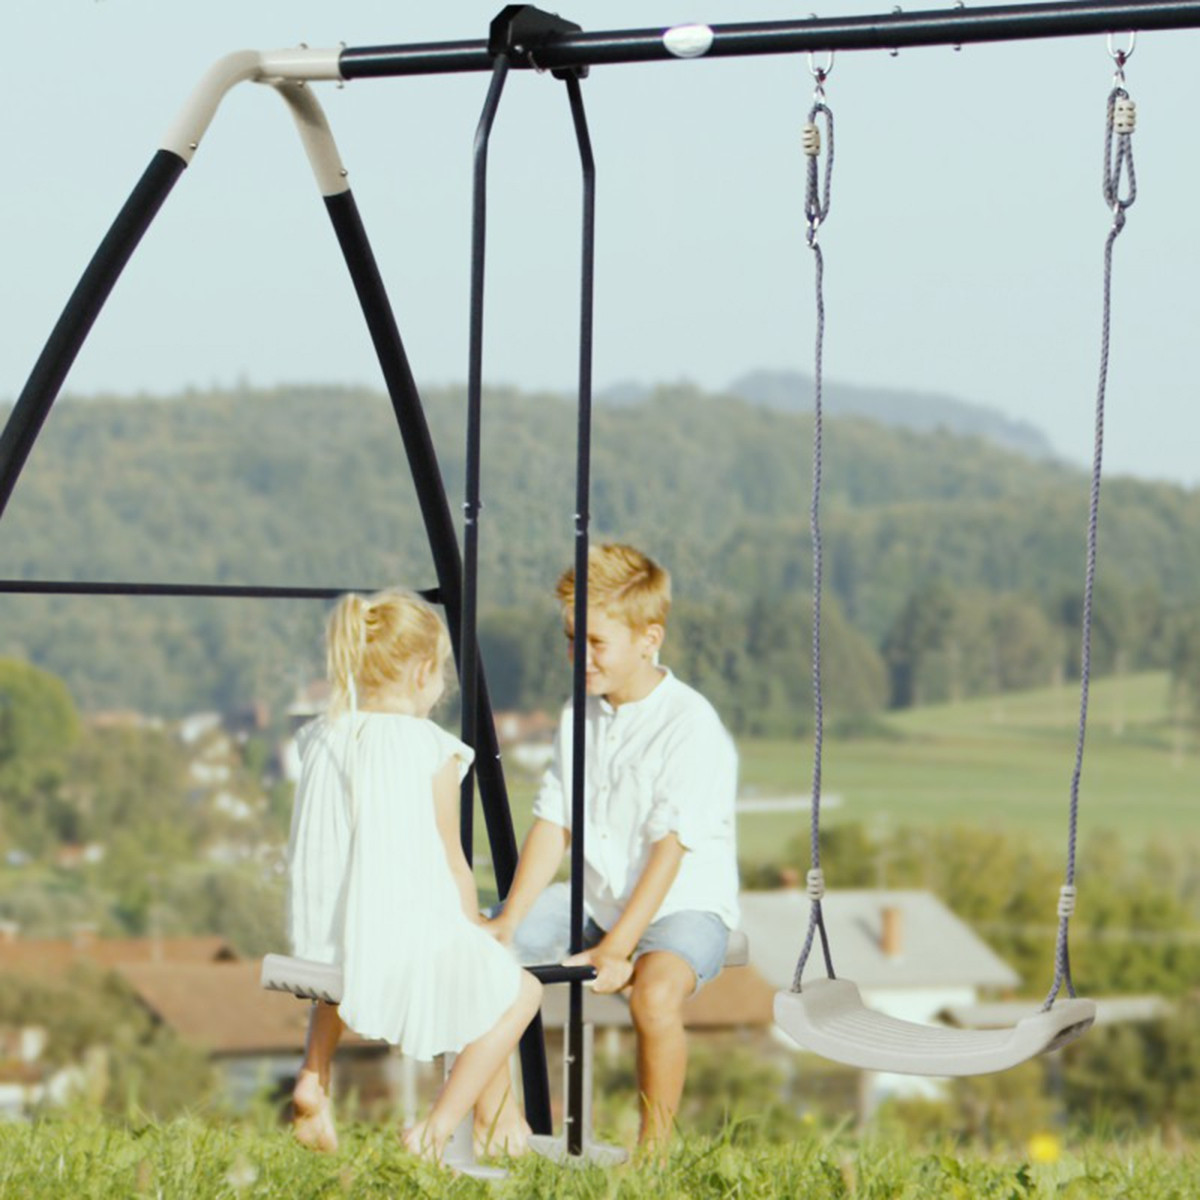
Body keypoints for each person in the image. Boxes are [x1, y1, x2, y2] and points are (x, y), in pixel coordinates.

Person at [483, 544, 739, 1149]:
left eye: (596, 643)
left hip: (680, 904)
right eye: (572, 640)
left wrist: (618, 949)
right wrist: (510, 919)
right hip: (597, 902)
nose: (579, 656)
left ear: (650, 639)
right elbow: (554, 823)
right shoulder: (578, 716)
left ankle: (653, 1155)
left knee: (653, 997)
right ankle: (499, 1126)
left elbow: (669, 851)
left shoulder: (690, 724)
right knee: (481, 955)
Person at [286, 588, 542, 1163]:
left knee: (352, 945)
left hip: (322, 940)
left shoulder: (323, 736)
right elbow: (452, 857)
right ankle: (435, 1129)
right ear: (424, 671)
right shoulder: (431, 747)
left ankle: (312, 1075)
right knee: (516, 990)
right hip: (393, 946)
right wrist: (474, 926)